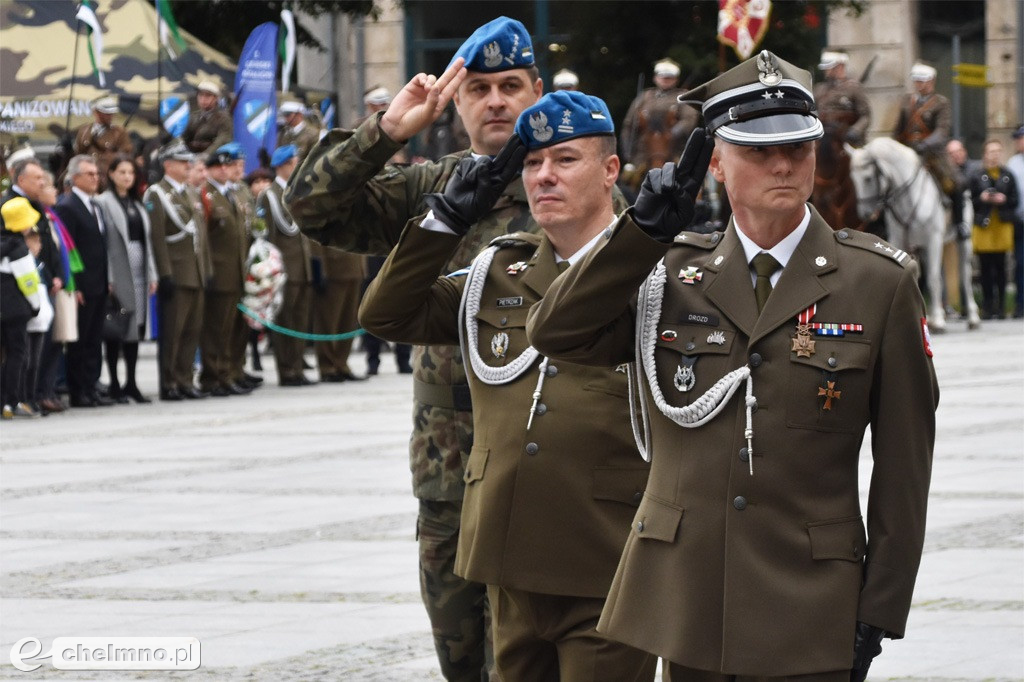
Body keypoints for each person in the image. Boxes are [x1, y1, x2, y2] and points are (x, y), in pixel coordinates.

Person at [528, 50, 939, 681]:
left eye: (798, 148)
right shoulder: (667, 269)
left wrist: (880, 608)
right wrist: (638, 234)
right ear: (716, 164)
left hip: (812, 600)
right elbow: (557, 332)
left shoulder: (878, 282)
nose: (783, 163)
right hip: (690, 600)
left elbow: (905, 465)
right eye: (757, 150)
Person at [360, 89, 655, 682]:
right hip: (509, 559)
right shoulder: (498, 270)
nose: (544, 177)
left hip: (607, 559)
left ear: (610, 170)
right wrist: (443, 220)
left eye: (565, 160)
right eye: (532, 164)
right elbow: (386, 315)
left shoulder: (658, 271)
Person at [286, 17, 545, 681]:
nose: (494, 101)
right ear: (456, 104)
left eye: (510, 85)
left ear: (535, 93)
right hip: (450, 464)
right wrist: (386, 132)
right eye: (479, 88)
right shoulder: (433, 187)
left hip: (547, 464)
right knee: (462, 658)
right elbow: (312, 209)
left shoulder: (572, 188)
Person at [145, 140, 212, 401]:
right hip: (176, 273)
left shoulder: (191, 193)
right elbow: (158, 238)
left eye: (189, 162)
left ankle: (185, 380)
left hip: (194, 272)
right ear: (168, 165)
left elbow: (201, 236)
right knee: (173, 332)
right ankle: (169, 382)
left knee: (191, 330)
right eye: (183, 163)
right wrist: (165, 273)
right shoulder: (157, 194)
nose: (189, 167)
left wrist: (205, 269)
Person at [94, 154, 158, 403]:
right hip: (118, 270)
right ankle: (114, 383)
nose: (127, 177)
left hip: (139, 269)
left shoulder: (137, 204)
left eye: (130, 173)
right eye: (121, 172)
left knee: (135, 327)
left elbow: (147, 242)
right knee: (116, 326)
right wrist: (108, 275)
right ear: (110, 174)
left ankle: (132, 382)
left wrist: (152, 273)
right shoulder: (103, 202)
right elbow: (104, 243)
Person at [55, 155, 115, 408]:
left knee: (93, 339)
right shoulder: (68, 206)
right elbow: (69, 250)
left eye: (96, 174)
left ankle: (91, 386)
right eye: (89, 174)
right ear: (75, 177)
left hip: (99, 283)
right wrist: (75, 285)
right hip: (82, 285)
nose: (95, 178)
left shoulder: (95, 206)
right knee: (79, 341)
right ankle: (78, 390)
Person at [258, 145, 317, 386]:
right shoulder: (269, 196)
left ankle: (297, 366)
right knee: (286, 321)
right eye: (293, 162)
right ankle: (287, 370)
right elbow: (267, 237)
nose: (298, 166)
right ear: (282, 166)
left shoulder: (296, 192)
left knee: (301, 319)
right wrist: (271, 271)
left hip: (301, 267)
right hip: (284, 269)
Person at [198, 146, 251, 397]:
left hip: (236, 272)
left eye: (227, 166)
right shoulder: (205, 195)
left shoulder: (232, 194)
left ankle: (227, 372)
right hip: (218, 273)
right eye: (219, 166)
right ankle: (212, 376)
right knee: (215, 330)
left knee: (230, 329)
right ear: (208, 170)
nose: (225, 170)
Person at [620, 58, 699, 183]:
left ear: (676, 79)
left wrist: (672, 133)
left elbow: (689, 120)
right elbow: (629, 124)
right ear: (655, 78)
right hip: (643, 151)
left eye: (669, 77)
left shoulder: (683, 96)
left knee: (687, 179)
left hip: (673, 148)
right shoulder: (645, 96)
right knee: (627, 182)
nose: (665, 80)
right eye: (662, 77)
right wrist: (627, 151)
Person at [1, 197, 43, 419]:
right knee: (18, 354)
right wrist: (36, 306)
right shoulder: (19, 248)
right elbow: (29, 282)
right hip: (16, 311)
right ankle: (12, 401)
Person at [969, 138, 1019, 320]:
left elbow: (1015, 200)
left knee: (1001, 269)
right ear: (985, 154)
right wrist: (982, 197)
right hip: (983, 227)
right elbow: (971, 202)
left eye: (998, 151)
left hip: (1002, 226)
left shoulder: (1008, 175)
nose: (995, 155)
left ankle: (1001, 307)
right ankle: (988, 307)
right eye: (991, 151)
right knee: (985, 270)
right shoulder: (977, 175)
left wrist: (1003, 199)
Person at [894, 62, 955, 194]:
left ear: (931, 81)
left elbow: (942, 131)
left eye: (922, 81)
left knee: (954, 184)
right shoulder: (906, 101)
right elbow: (898, 130)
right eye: (916, 81)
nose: (918, 84)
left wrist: (925, 144)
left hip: (932, 153)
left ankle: (958, 214)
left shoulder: (941, 103)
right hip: (907, 150)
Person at [813, 50, 870, 145]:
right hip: (823, 137)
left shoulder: (854, 88)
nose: (825, 70)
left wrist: (855, 131)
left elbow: (865, 116)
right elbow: (812, 113)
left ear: (840, 66)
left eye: (829, 67)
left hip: (847, 137)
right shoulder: (820, 89)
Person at [73, 96, 133, 186]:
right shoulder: (84, 130)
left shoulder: (119, 132)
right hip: (86, 175)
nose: (110, 116)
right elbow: (78, 153)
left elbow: (126, 155)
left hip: (107, 177)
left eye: (111, 113)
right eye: (106, 113)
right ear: (96, 112)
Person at [182, 81, 233, 155]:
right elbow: (183, 136)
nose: (203, 99)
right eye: (201, 95)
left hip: (214, 159)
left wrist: (206, 155)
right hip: (192, 156)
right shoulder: (194, 117)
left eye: (208, 96)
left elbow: (222, 140)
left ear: (216, 98)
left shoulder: (224, 118)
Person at [1006, 125, 1024, 318]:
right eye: (1018, 139)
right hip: (1020, 220)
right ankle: (1021, 303)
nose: (1020, 142)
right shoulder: (1012, 163)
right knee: (1020, 263)